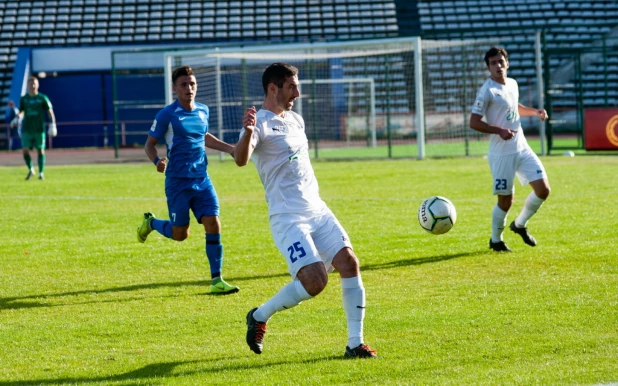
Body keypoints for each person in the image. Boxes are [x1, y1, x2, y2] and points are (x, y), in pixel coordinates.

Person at [234, 63, 377, 358]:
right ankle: (260, 315)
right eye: (291, 87)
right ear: (273, 89)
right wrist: (247, 132)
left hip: (317, 209)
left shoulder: (295, 119)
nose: (297, 93)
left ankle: (355, 343)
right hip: (288, 217)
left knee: (349, 263)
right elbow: (241, 159)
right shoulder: (259, 123)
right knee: (314, 281)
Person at [136, 65, 239, 295]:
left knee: (214, 222)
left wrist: (230, 149)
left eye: (192, 84)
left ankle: (217, 280)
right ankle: (151, 223)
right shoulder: (167, 115)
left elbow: (203, 136)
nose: (189, 88)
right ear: (175, 88)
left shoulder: (203, 110)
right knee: (180, 234)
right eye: (184, 84)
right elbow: (149, 145)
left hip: (202, 179)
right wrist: (157, 162)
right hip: (177, 183)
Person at [469, 46, 551, 252]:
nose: (498, 65)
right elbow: (474, 122)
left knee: (543, 190)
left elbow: (514, 107)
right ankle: (495, 240)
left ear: (507, 63)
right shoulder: (487, 91)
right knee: (506, 201)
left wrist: (535, 112)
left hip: (521, 147)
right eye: (493, 63)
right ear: (488, 68)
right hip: (501, 153)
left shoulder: (512, 84)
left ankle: (519, 225)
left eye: (500, 61)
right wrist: (499, 130)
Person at [15, 76, 57, 180]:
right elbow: (22, 112)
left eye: (34, 83)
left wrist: (53, 124)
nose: (33, 85)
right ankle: (31, 169)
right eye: (31, 84)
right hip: (27, 129)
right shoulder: (24, 99)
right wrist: (17, 118)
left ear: (38, 85)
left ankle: (41, 173)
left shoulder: (43, 98)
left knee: (40, 150)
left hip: (39, 129)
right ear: (28, 85)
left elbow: (50, 111)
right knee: (25, 150)